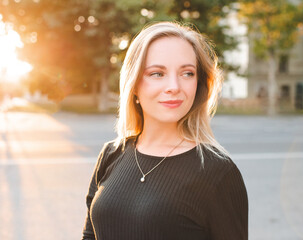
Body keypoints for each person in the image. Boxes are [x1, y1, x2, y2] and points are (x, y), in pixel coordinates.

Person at [82, 21, 248, 240]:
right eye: (157, 73)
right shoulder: (112, 154)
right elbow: (89, 236)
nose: (174, 86)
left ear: (199, 84)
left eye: (187, 73)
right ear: (134, 85)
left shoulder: (218, 172)